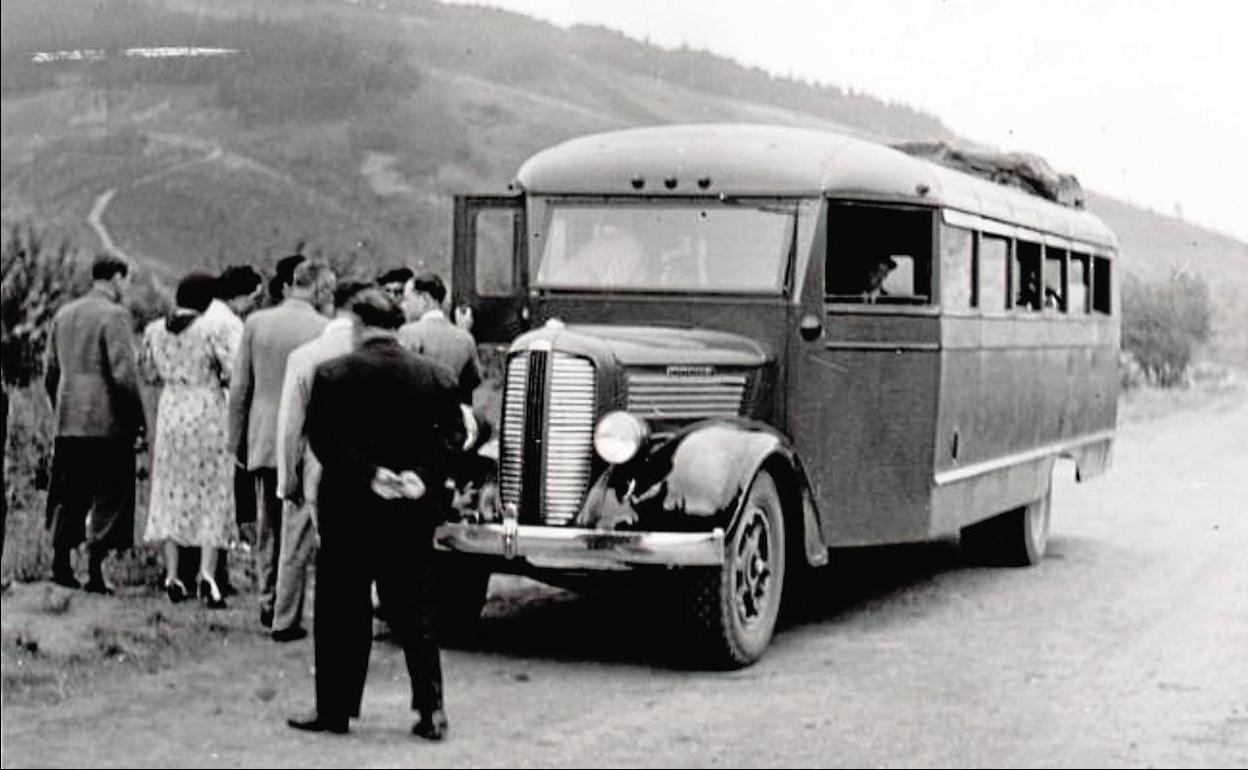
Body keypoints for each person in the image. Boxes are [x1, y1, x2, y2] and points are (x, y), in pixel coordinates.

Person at [288, 289, 465, 740]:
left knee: (342, 611)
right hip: (410, 511)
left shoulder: (332, 374)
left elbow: (323, 441)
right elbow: (453, 438)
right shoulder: (437, 377)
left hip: (349, 509)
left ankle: (336, 709)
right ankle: (431, 709)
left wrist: (370, 474)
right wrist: (420, 476)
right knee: (416, 612)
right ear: (398, 325)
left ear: (357, 325)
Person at [228, 260, 335, 628]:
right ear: (318, 289)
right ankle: (287, 609)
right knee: (297, 527)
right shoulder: (324, 329)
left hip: (261, 433)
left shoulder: (257, 324)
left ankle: (266, 596)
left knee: (266, 524)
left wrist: (236, 440)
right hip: (304, 438)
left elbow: (240, 387)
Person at [270, 278, 371, 642]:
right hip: (364, 458)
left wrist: (287, 476)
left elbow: (289, 425)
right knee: (360, 539)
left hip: (314, 454)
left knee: (295, 540)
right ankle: (359, 618)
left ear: (332, 306)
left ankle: (284, 618)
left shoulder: (305, 356)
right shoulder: (370, 355)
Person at [43, 254, 146, 593]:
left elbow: (50, 371)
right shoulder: (114, 316)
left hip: (69, 418)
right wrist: (138, 420)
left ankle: (60, 563)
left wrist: (60, 405)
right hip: (107, 422)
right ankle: (95, 569)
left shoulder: (64, 314)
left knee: (69, 493)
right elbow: (124, 376)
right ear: (116, 277)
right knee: (110, 494)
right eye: (125, 280)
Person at [139, 272, 238, 608]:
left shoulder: (154, 330)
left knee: (171, 488)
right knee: (212, 490)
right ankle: (208, 574)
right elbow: (232, 370)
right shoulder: (213, 330)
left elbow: (149, 373)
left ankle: (173, 572)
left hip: (172, 409)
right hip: (207, 409)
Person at [175, 264, 264, 596]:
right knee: (219, 494)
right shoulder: (229, 325)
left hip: (184, 413)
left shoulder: (205, 319)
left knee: (191, 490)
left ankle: (189, 569)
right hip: (218, 413)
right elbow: (238, 375)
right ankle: (214, 573)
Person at [397, 272, 482, 405]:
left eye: (407, 299)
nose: (402, 306)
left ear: (424, 299)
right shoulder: (466, 338)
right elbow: (474, 380)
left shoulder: (408, 333)